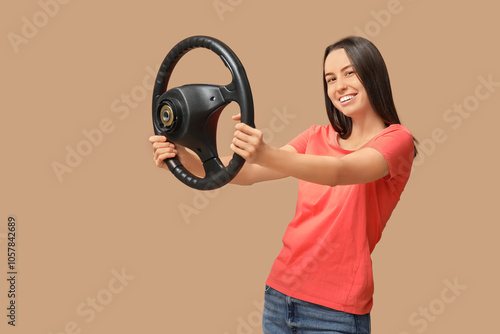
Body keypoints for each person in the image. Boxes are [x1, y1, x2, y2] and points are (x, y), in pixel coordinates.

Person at [150, 36, 417, 334]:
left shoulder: (397, 140)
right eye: (330, 78)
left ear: (373, 74)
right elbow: (248, 171)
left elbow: (341, 171)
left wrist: (266, 152)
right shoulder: (316, 136)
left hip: (335, 312)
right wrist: (185, 159)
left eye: (349, 73)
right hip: (280, 296)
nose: (338, 85)